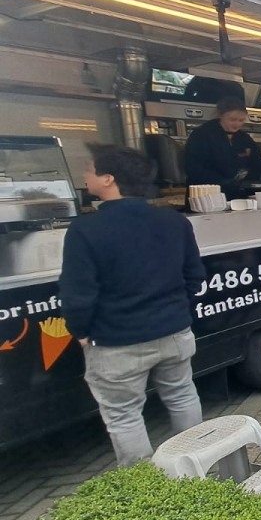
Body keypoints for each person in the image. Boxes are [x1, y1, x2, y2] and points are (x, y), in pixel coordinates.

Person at [59, 144, 205, 467]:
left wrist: (80, 332)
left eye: (89, 169)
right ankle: (199, 469)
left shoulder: (84, 229)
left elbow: (77, 294)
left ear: (108, 178)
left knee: (124, 415)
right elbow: (194, 276)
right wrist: (176, 311)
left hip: (116, 341)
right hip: (174, 331)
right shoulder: (174, 221)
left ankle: (146, 487)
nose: (85, 175)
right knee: (182, 395)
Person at [183, 95, 261, 200]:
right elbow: (193, 168)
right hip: (206, 194)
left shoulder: (244, 138)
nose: (237, 124)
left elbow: (259, 161)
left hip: (236, 195)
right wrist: (224, 183)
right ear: (221, 116)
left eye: (241, 120)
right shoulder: (201, 135)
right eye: (233, 119)